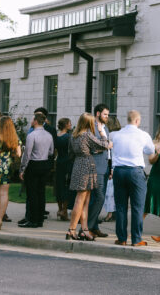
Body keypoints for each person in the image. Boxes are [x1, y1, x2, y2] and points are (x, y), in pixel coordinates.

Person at [110, 109, 155, 246]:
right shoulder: (143, 135)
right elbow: (150, 151)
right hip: (135, 171)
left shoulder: (116, 135)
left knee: (121, 206)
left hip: (119, 171)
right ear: (137, 121)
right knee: (137, 207)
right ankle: (136, 239)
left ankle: (122, 238)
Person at [67, 112, 111, 241]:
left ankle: (85, 230)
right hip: (87, 165)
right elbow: (105, 144)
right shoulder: (87, 134)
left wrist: (90, 150)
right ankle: (72, 229)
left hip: (78, 164)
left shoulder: (73, 135)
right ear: (88, 123)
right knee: (80, 200)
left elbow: (71, 153)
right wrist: (102, 133)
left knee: (85, 200)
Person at [19, 111, 54, 228]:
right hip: (44, 164)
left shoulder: (32, 135)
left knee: (32, 193)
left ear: (35, 121)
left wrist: (22, 169)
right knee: (41, 192)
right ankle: (39, 219)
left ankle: (33, 219)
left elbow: (27, 154)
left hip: (34, 164)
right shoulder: (49, 135)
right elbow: (51, 152)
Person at [86, 103, 111, 238]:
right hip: (95, 167)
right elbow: (92, 148)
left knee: (98, 198)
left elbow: (107, 148)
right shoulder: (92, 127)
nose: (107, 117)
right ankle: (88, 227)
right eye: (105, 114)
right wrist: (105, 147)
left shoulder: (104, 127)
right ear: (97, 114)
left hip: (105, 166)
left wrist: (110, 166)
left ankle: (94, 227)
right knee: (99, 198)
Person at [103, 115, 122, 221]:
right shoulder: (121, 134)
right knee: (117, 192)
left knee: (109, 192)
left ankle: (110, 213)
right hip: (121, 165)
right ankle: (115, 212)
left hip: (112, 165)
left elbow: (110, 153)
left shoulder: (109, 135)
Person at [54, 117, 73, 220]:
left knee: (59, 185)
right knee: (66, 185)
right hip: (67, 161)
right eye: (69, 123)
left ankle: (59, 208)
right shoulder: (68, 137)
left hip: (59, 161)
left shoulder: (56, 136)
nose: (70, 125)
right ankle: (64, 211)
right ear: (66, 125)